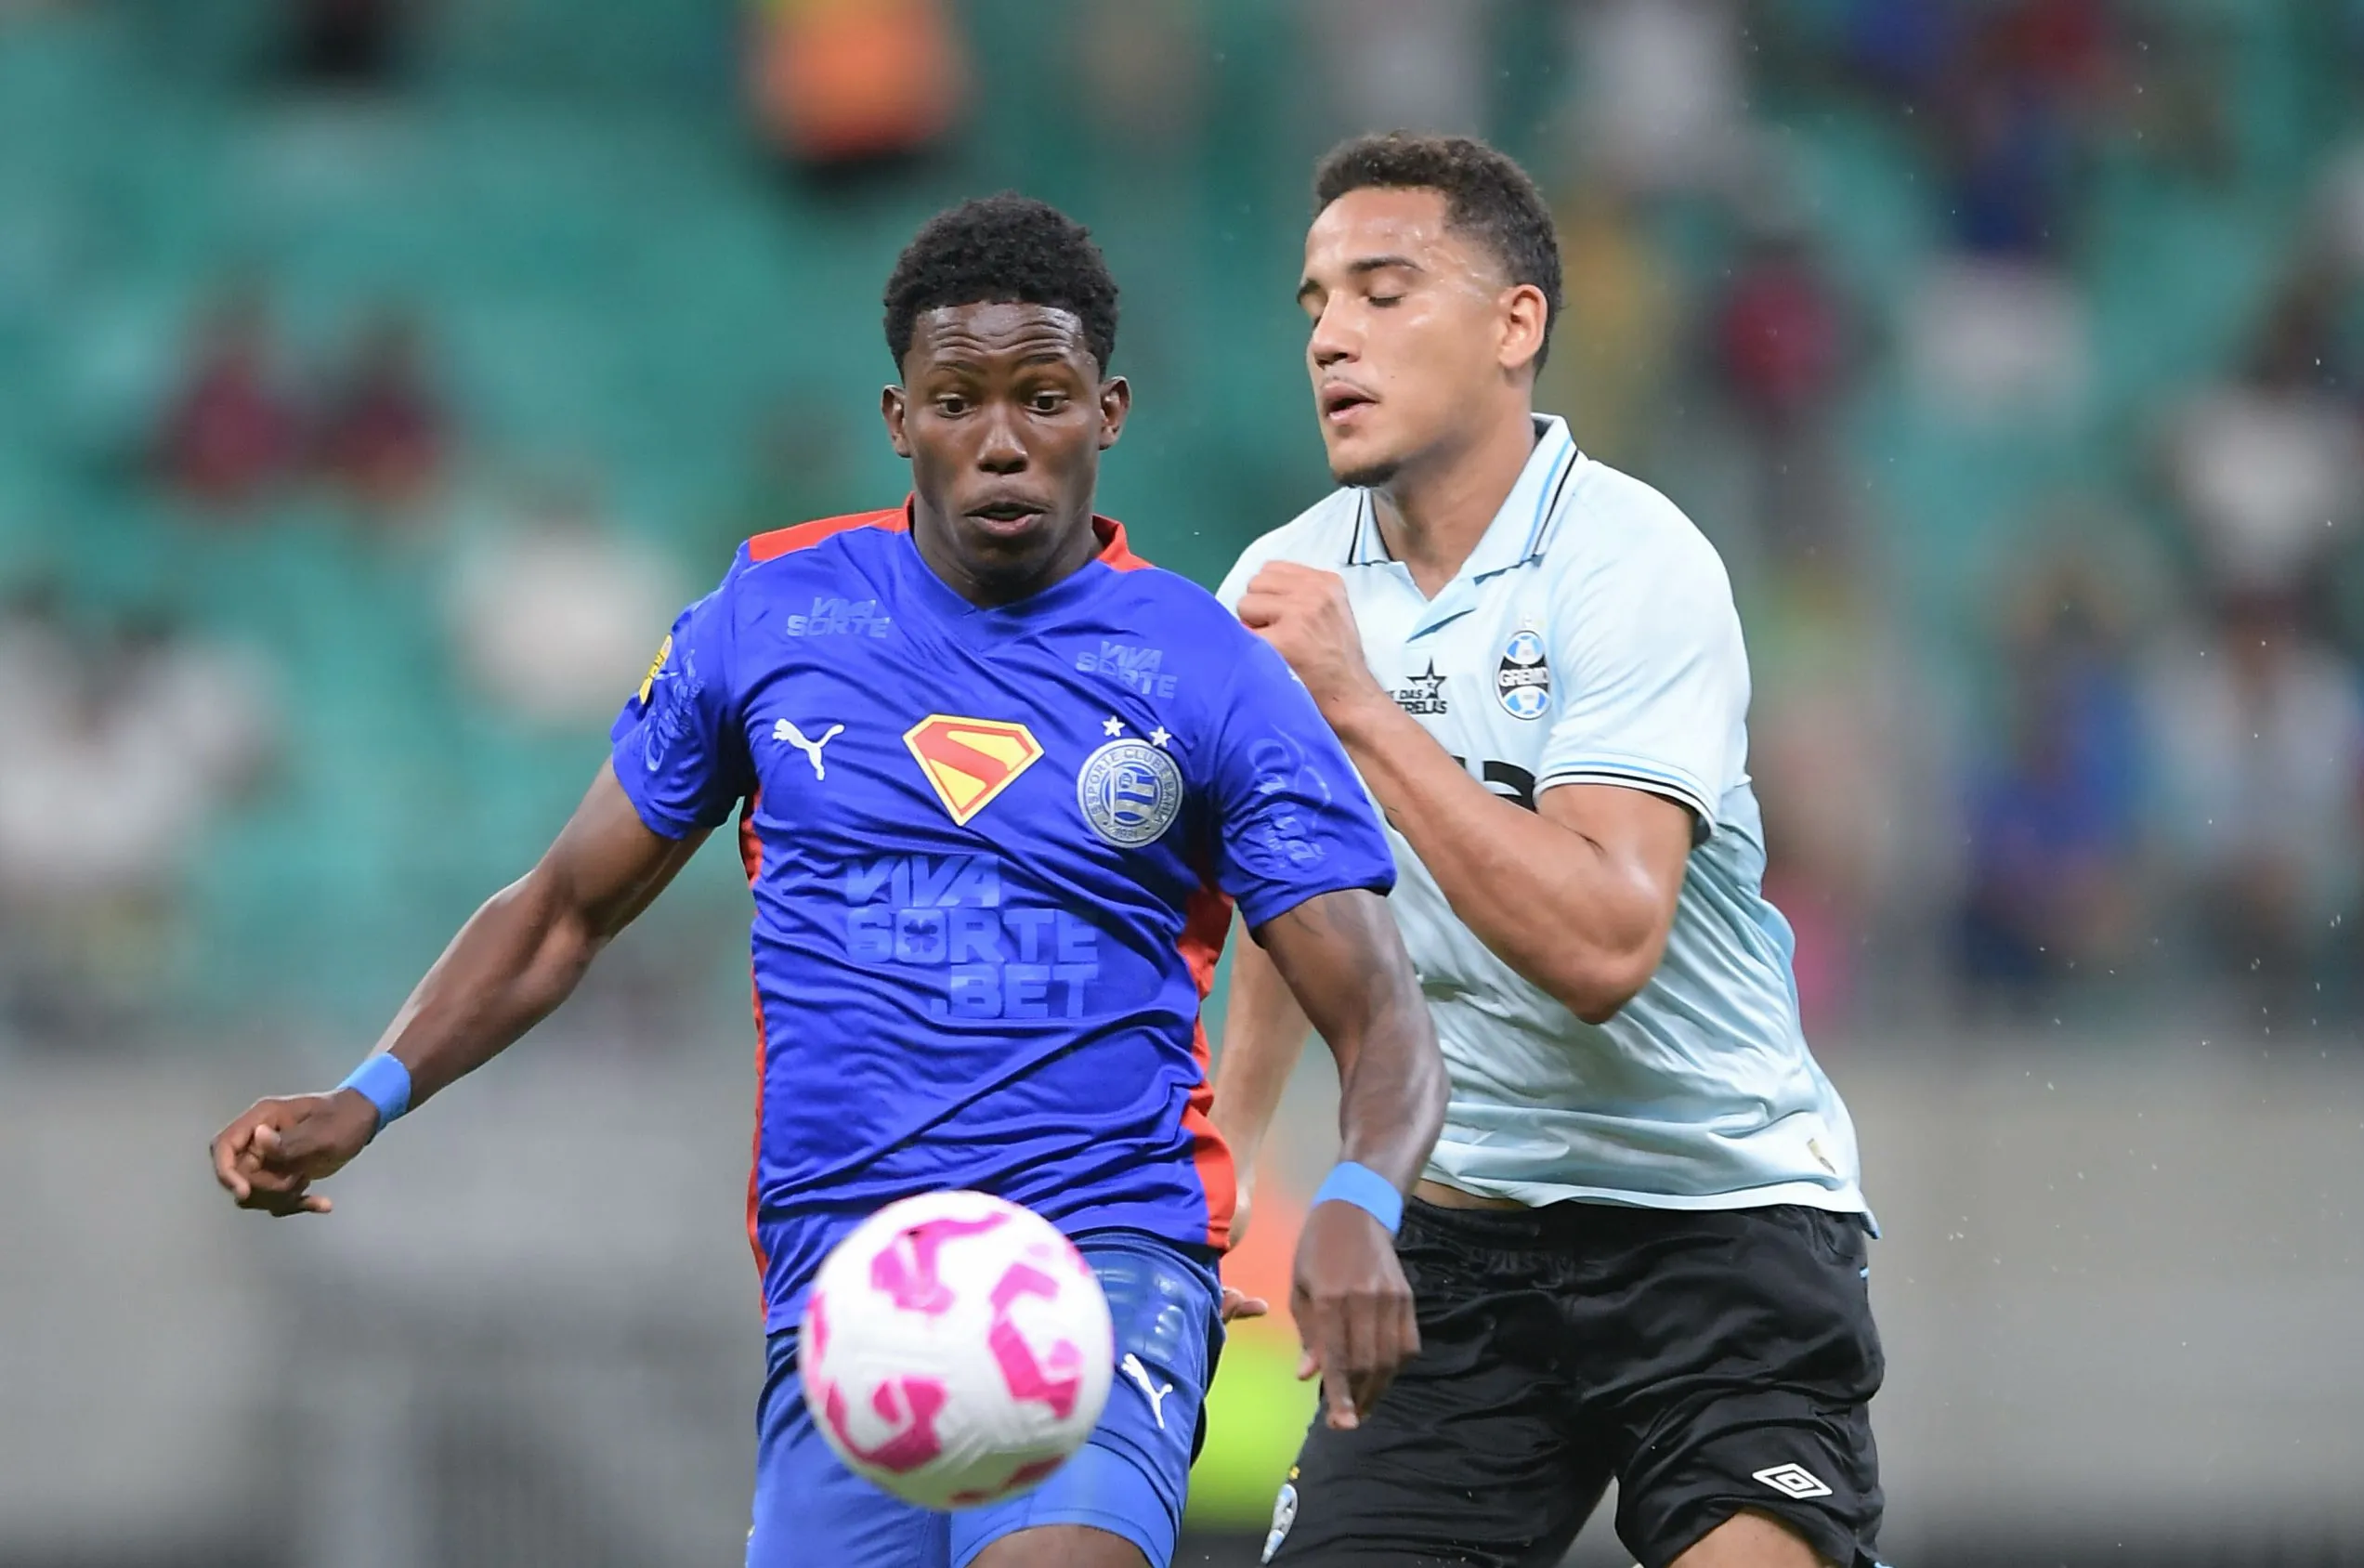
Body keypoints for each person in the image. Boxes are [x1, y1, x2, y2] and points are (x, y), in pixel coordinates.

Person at [209, 195, 1448, 1568]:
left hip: (1099, 1258)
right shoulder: (772, 619)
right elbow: (565, 910)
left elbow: (1381, 1011)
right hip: (851, 1294)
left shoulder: (1209, 671)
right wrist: (367, 1094)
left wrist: (1356, 1201)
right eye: (955, 401)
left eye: (1042, 399)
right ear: (897, 417)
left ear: (1109, 412)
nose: (998, 443)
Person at [1214, 134, 1885, 1568]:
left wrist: (1358, 705)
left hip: (1716, 1231)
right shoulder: (1279, 584)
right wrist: (1214, 1190)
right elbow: (1285, 918)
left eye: (1384, 290)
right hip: (1454, 1250)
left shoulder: (1637, 566)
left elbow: (1602, 951)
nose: (1332, 333)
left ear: (1516, 325)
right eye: (1315, 301)